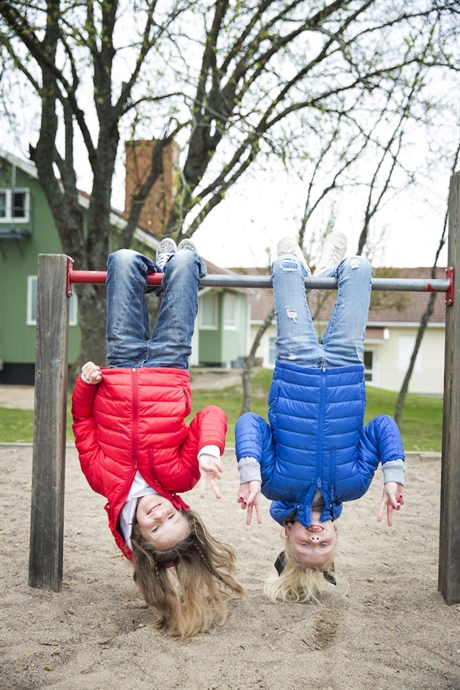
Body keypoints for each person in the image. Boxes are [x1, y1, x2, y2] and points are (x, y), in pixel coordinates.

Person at [72, 239, 244, 639]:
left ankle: (154, 269)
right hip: (170, 362)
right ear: (179, 508)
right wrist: (207, 448)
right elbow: (211, 415)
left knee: (123, 259)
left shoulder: (103, 480)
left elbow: (82, 421)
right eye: (172, 517)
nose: (159, 514)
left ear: (137, 535)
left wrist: (85, 384)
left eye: (155, 526)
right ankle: (169, 267)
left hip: (121, 358)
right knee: (187, 260)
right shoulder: (181, 477)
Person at [235, 233, 405, 603]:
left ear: (288, 533)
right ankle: (329, 271)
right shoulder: (353, 485)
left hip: (295, 366)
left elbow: (250, 422)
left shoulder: (274, 485)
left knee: (285, 264)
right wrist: (392, 475)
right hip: (346, 365)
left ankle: (312, 270)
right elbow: (381, 428)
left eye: (305, 544)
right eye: (322, 543)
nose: (314, 537)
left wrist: (249, 470)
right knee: (360, 267)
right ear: (335, 535)